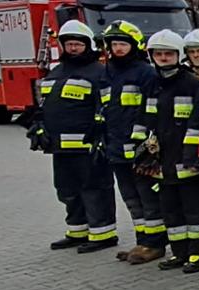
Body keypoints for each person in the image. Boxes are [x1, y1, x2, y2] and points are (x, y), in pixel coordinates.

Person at [31, 20, 117, 253]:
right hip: (59, 146)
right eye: (69, 44)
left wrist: (102, 131)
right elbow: (43, 104)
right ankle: (77, 230)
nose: (73, 48)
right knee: (66, 189)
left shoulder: (100, 72)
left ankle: (103, 233)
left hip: (89, 146)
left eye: (78, 44)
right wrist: (38, 123)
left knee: (95, 188)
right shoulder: (54, 73)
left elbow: (107, 105)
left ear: (88, 45)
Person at [144, 30, 199, 273]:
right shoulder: (152, 85)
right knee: (171, 211)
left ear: (178, 56)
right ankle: (179, 253)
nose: (164, 58)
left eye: (169, 54)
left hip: (189, 160)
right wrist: (143, 149)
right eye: (159, 54)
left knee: (196, 209)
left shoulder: (193, 84)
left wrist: (195, 156)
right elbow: (146, 120)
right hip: (161, 161)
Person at [99, 21, 164, 265]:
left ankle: (155, 244)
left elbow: (150, 112)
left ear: (134, 45)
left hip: (139, 149)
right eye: (114, 44)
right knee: (131, 198)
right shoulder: (106, 73)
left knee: (148, 198)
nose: (117, 49)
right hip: (115, 149)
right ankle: (142, 241)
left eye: (122, 44)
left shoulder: (145, 73)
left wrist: (146, 147)